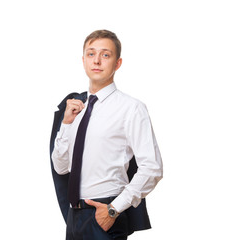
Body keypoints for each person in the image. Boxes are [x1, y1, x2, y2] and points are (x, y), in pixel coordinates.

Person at [51, 29, 163, 240]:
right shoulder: (76, 109)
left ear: (117, 63)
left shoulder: (131, 108)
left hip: (105, 214)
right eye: (91, 54)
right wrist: (65, 124)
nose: (97, 61)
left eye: (105, 55)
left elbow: (152, 167)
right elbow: (61, 167)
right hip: (73, 217)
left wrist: (113, 209)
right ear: (83, 60)